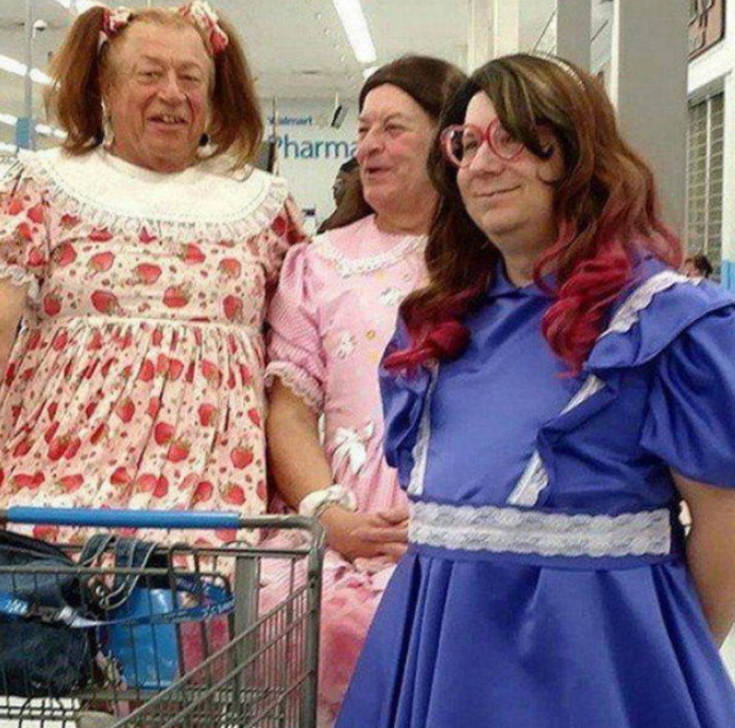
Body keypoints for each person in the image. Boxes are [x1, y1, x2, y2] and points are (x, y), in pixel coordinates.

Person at [337, 54, 735, 727]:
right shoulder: (437, 329)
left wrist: (655, 658)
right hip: (434, 666)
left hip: (597, 681)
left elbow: (724, 523)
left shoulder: (666, 324)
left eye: (513, 139)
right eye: (465, 143)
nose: (482, 164)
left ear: (576, 155)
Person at [0, 2, 305, 547]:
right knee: (48, 597)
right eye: (149, 74)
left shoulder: (261, 205)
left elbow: (296, 362)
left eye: (191, 78)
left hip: (212, 495)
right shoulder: (46, 185)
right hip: (59, 482)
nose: (172, 93)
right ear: (106, 87)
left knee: (199, 600)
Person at [263, 56, 465, 725]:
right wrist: (330, 517)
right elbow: (290, 412)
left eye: (393, 128)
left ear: (450, 141)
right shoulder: (319, 263)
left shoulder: (498, 259)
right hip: (349, 522)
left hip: (467, 524)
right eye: (363, 128)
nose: (370, 145)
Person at [316, 158, 360, 234]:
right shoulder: (330, 225)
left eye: (340, 182)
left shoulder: (333, 227)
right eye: (336, 182)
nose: (334, 187)